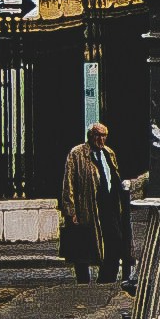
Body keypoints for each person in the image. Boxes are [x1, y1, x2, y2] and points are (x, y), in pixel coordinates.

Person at [58, 117, 118, 284]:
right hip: (86, 205)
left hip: (107, 205)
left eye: (104, 136)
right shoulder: (77, 154)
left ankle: (106, 278)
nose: (101, 139)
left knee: (112, 241)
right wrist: (70, 210)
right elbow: (68, 183)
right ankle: (83, 281)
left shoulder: (108, 153)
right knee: (83, 244)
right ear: (90, 136)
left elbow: (114, 176)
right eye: (98, 135)